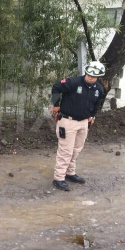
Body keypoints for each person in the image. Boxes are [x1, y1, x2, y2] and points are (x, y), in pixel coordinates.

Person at [50, 60, 106, 191]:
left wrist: (92, 116)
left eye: (93, 76)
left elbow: (97, 104)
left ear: (98, 77)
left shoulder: (99, 89)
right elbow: (56, 87)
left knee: (76, 149)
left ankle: (70, 173)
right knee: (66, 150)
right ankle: (58, 178)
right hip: (68, 121)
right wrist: (56, 105)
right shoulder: (74, 82)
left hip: (83, 122)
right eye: (88, 74)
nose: (89, 77)